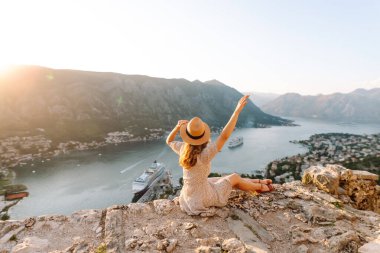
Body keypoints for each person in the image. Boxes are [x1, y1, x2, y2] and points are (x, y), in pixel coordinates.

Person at [166, 95, 275, 216]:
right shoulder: (205, 154)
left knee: (221, 179)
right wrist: (236, 111)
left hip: (188, 195)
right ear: (203, 136)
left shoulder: (183, 148)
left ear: (187, 135)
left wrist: (176, 127)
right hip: (202, 198)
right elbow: (224, 136)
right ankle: (260, 187)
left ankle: (258, 181)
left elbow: (169, 141)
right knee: (234, 177)